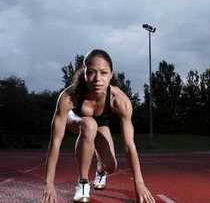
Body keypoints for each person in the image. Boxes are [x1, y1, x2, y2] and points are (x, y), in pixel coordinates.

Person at [41, 49, 155, 203]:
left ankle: (101, 169)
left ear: (111, 75)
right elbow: (55, 142)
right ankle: (83, 184)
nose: (97, 79)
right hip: (75, 121)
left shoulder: (120, 101)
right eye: (91, 72)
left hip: (101, 125)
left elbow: (129, 145)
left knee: (111, 166)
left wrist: (139, 184)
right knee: (89, 125)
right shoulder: (69, 96)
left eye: (103, 73)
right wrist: (49, 184)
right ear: (84, 72)